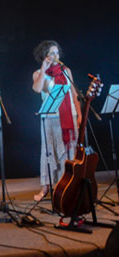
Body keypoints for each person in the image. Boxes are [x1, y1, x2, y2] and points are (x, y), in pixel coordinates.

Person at [31, 40, 81, 201]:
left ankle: (69, 185)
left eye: (56, 52)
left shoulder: (66, 71)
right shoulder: (39, 74)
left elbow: (73, 93)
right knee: (49, 151)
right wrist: (43, 69)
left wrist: (79, 114)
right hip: (50, 117)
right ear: (44, 56)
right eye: (51, 53)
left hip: (69, 116)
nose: (55, 56)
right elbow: (37, 89)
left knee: (68, 151)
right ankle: (46, 187)